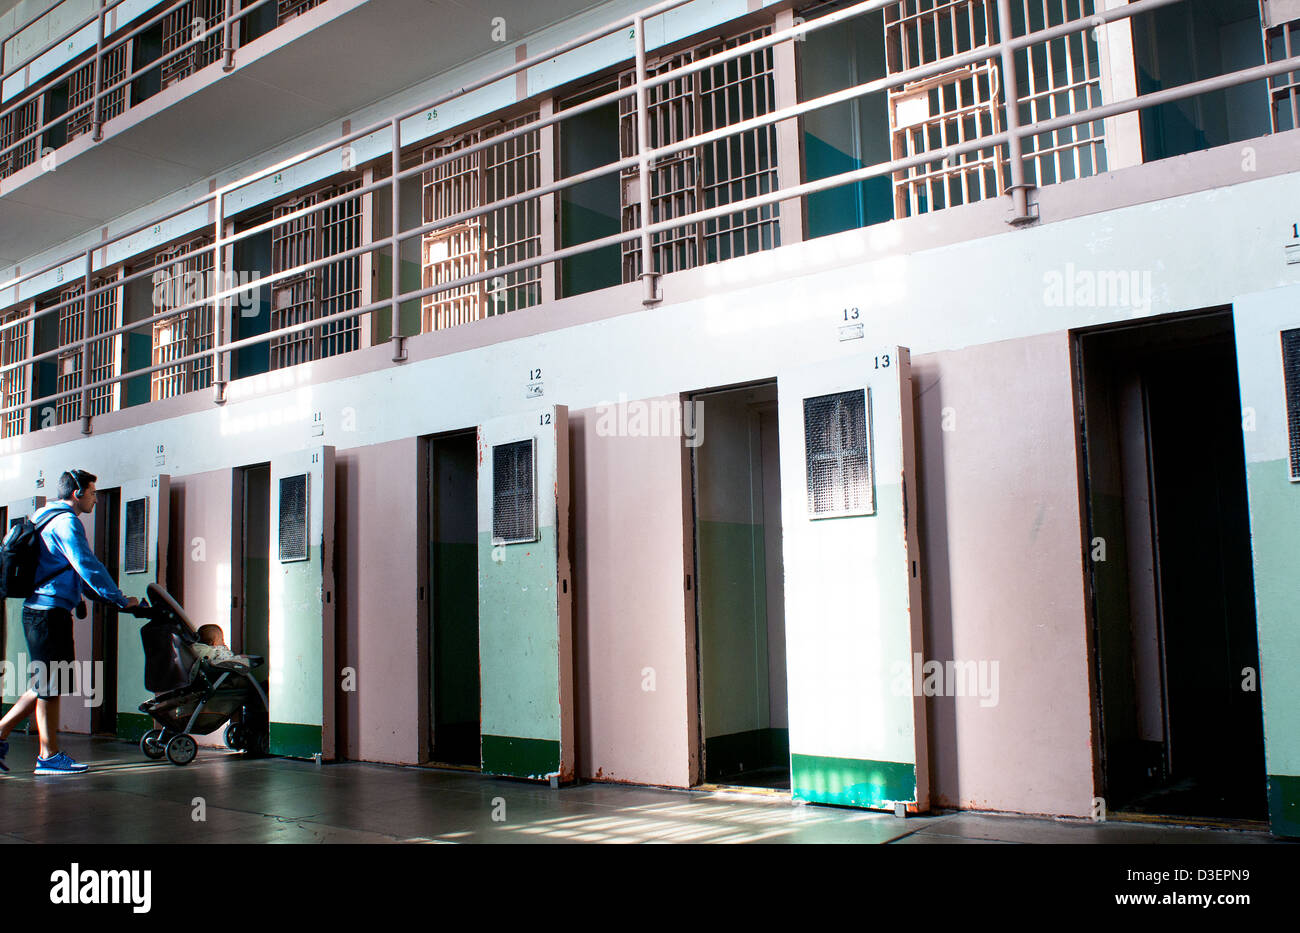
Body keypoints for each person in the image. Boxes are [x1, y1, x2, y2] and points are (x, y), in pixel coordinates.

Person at [0, 470, 138, 774]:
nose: (95, 498)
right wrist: (117, 597)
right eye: (92, 492)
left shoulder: (43, 516)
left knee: (50, 682)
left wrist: (93, 597)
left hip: (46, 612)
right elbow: (86, 563)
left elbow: (72, 570)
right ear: (77, 493)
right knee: (49, 684)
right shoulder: (66, 522)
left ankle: (24, 743)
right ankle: (47, 756)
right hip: (47, 614)